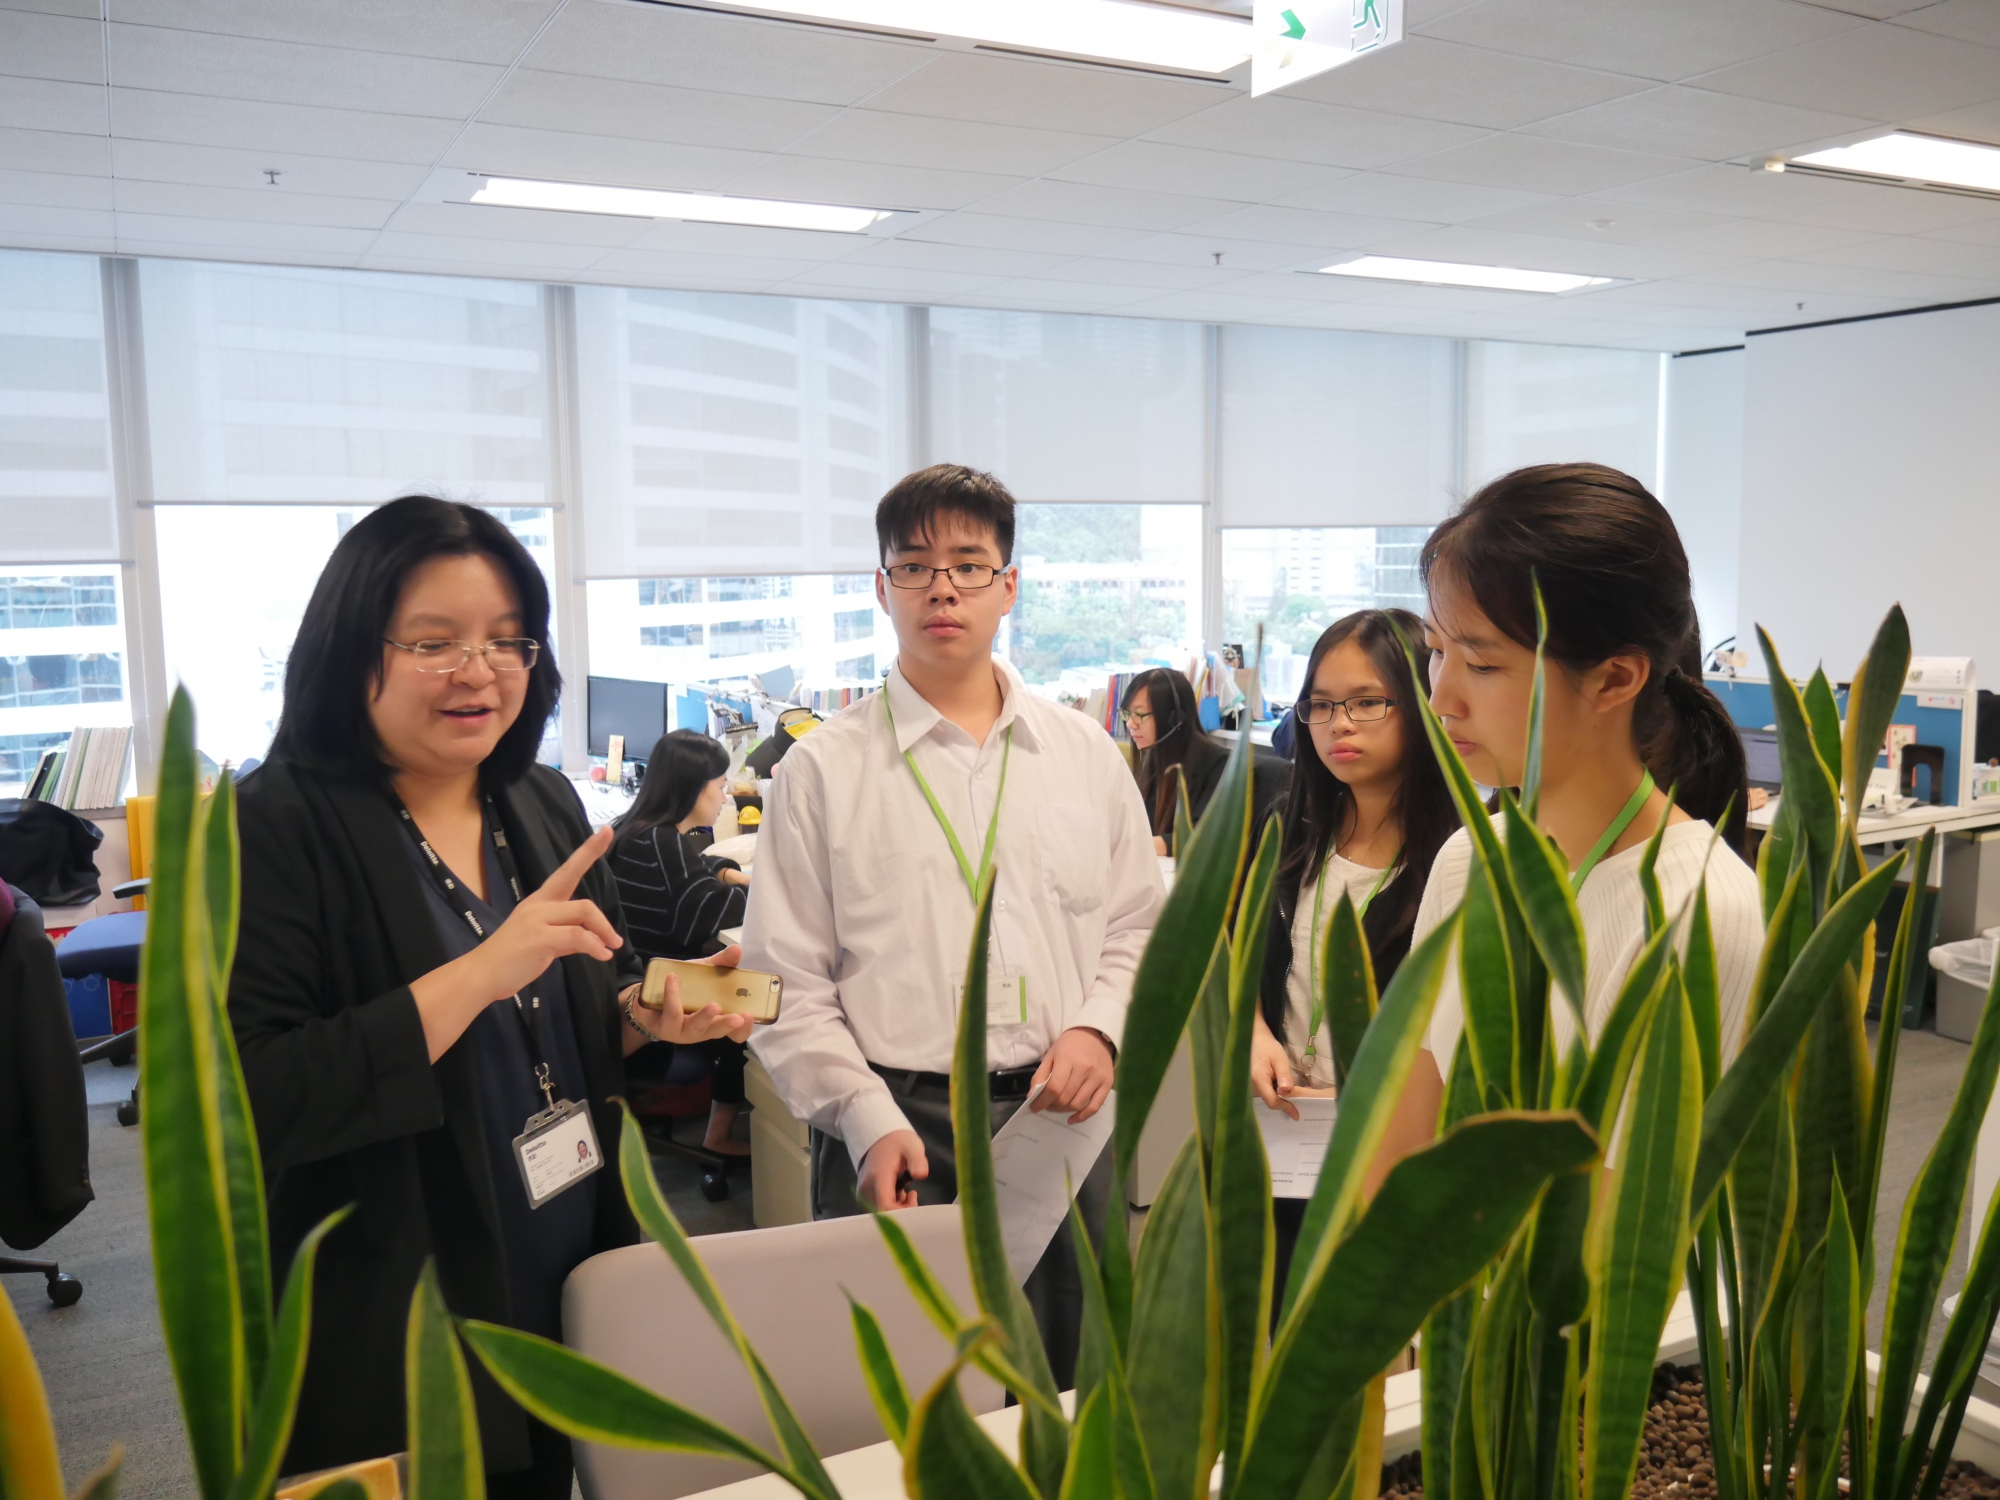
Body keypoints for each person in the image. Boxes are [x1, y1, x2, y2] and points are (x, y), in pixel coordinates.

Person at [228, 497, 752, 1496]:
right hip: (400, 1308)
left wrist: (642, 1017)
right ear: (350, 650)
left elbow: (573, 1015)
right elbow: (257, 1095)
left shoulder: (538, 802)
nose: (480, 670)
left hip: (566, 1266)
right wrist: (478, 972)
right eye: (435, 642)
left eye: (508, 641)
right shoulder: (268, 830)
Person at [743, 463, 1163, 1388]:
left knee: (1067, 1395)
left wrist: (1099, 1029)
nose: (943, 588)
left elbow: (1139, 928)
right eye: (915, 565)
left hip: (1062, 1115)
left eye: (969, 565)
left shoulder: (1084, 756)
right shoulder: (821, 772)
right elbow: (783, 984)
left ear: (1008, 586)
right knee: (901, 1406)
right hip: (896, 1127)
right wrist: (862, 1117)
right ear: (881, 586)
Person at [1376, 463, 1763, 1174]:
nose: (1441, 700)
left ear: (1615, 678)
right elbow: (1406, 1134)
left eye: (1482, 665)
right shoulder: (1471, 858)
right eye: (1436, 652)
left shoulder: (1701, 909)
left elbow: (1636, 1214)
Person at [1246, 609, 1459, 1297]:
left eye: (1367, 702)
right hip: (1279, 1134)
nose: (1339, 724)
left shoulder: (1459, 859)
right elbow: (1238, 958)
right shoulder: (1290, 827)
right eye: (1321, 704)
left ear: (1422, 701)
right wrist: (1255, 1034)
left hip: (1390, 1155)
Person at [611, 727, 753, 1156]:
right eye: (720, 787)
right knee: (749, 997)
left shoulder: (638, 830)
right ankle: (719, 1135)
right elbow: (709, 911)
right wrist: (770, 888)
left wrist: (728, 871)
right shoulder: (664, 843)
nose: (725, 798)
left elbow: (696, 871)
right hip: (657, 1013)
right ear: (694, 789)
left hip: (630, 996)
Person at [1122, 668, 1228, 856]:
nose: (1130, 723)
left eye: (1139, 714)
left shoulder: (1218, 764)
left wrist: (1136, 846)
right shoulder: (1153, 758)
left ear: (1174, 718)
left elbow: (1204, 839)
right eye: (1127, 713)